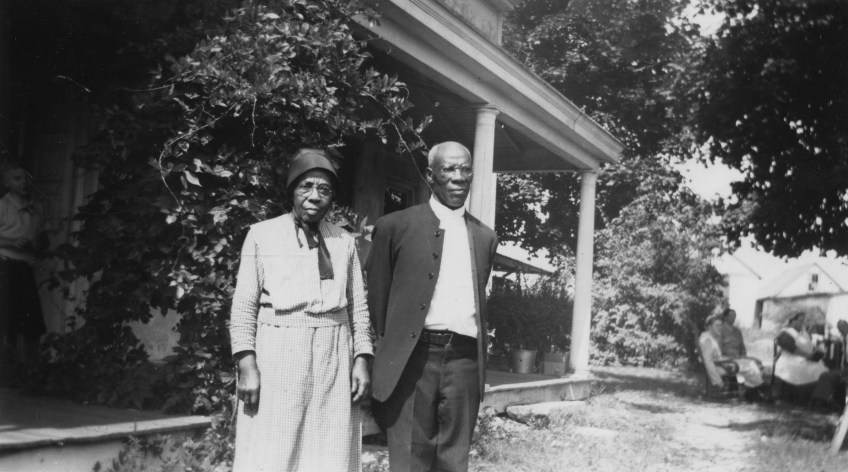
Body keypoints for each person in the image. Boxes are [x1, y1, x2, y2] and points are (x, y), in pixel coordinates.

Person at [229, 149, 374, 472]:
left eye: (324, 189)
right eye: (306, 186)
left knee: (330, 447)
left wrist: (362, 359)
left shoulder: (344, 241)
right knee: (276, 447)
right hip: (279, 352)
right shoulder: (261, 235)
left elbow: (359, 308)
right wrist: (247, 365)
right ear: (292, 189)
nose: (314, 196)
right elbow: (243, 308)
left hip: (334, 354)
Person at [366, 141, 498, 472]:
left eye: (465, 169)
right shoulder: (394, 226)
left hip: (465, 361)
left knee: (454, 461)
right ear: (430, 175)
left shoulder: (485, 237)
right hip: (413, 360)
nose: (458, 177)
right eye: (448, 169)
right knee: (410, 460)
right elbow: (378, 300)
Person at [0, 161, 47, 384]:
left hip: (25, 268)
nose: (24, 182)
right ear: (6, 183)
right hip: (4, 266)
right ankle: (5, 374)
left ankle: (30, 374)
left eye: (27, 177)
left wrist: (37, 243)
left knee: (31, 321)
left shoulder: (36, 208)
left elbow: (42, 239)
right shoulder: (2, 206)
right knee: (6, 321)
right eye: (17, 178)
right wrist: (12, 241)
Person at [774, 311, 844, 408]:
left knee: (823, 368)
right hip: (791, 359)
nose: (802, 323)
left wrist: (817, 351)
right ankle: (817, 399)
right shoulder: (786, 332)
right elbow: (792, 349)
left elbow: (808, 344)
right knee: (817, 370)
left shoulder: (803, 331)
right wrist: (808, 356)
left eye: (803, 321)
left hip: (806, 358)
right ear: (792, 321)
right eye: (800, 321)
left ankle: (820, 397)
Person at [699, 314, 766, 397]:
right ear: (710, 327)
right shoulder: (707, 340)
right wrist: (718, 381)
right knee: (749, 366)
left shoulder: (710, 337)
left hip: (721, 364)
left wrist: (732, 358)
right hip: (718, 367)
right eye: (717, 325)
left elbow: (715, 357)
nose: (720, 328)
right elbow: (708, 361)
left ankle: (753, 389)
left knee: (751, 363)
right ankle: (759, 389)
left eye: (721, 325)